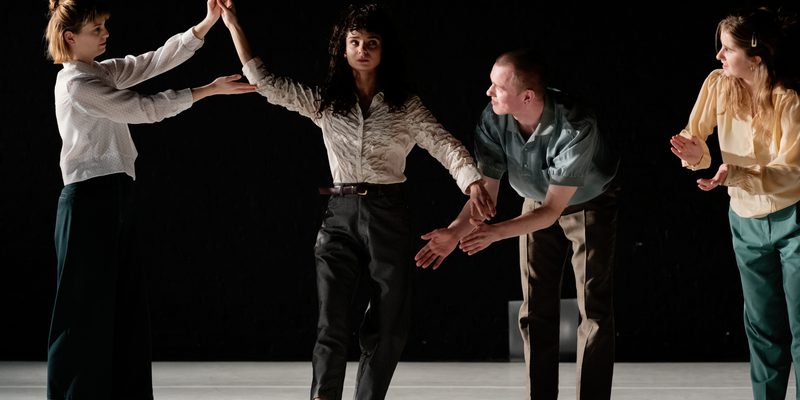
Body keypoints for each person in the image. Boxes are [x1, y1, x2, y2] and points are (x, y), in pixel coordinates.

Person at [215, 1, 494, 399]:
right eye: (355, 42)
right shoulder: (327, 102)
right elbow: (267, 83)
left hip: (387, 214)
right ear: (343, 49)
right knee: (331, 322)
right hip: (339, 215)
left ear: (384, 49)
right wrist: (232, 24)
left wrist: (472, 182)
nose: (362, 49)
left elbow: (445, 145)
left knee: (389, 325)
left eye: (371, 42)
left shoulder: (404, 106)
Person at [43, 0, 256, 398]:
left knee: (125, 309)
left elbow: (154, 60)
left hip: (115, 196)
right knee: (81, 313)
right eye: (96, 29)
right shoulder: (76, 84)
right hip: (87, 201)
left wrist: (206, 23)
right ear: (70, 38)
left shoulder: (100, 72)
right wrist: (208, 90)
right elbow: (144, 109)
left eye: (104, 26)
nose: (106, 34)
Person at [416, 48, 620, 400]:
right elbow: (485, 198)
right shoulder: (493, 119)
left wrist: (495, 233)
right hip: (534, 203)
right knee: (535, 308)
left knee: (593, 309)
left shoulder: (575, 125)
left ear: (527, 96)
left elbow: (552, 211)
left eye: (498, 87)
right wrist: (455, 230)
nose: (489, 92)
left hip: (588, 203)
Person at [669, 6, 800, 400]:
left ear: (755, 57)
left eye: (728, 49)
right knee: (761, 326)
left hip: (793, 218)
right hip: (745, 219)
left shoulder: (788, 99)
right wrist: (695, 153)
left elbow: (792, 171)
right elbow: (696, 137)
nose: (719, 55)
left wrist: (736, 173)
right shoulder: (717, 84)